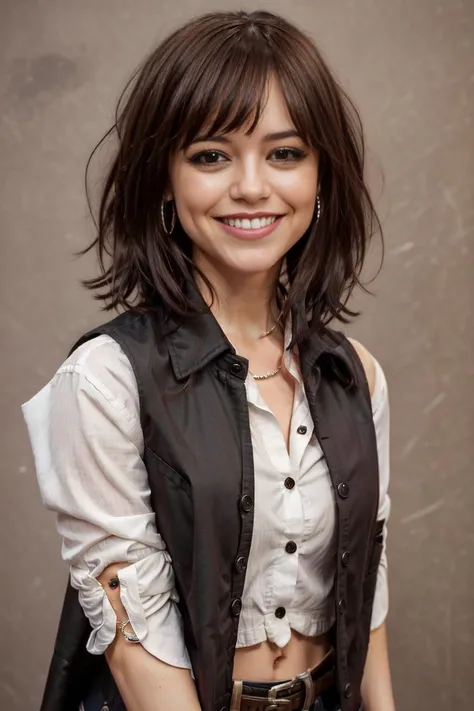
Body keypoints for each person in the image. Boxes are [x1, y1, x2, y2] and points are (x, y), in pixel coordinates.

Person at [22, 10, 395, 711]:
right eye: (211, 155)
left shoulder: (357, 374)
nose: (252, 186)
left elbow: (367, 591)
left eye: (285, 153)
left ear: (321, 177)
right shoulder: (104, 379)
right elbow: (138, 656)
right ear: (164, 178)